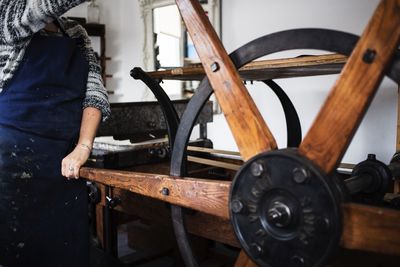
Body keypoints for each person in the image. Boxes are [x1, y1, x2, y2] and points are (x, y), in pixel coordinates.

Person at [0, 0, 111, 266]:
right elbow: (46, 6)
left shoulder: (75, 33)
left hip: (64, 163)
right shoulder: (7, 17)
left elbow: (94, 93)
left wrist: (83, 147)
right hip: (11, 162)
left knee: (65, 252)